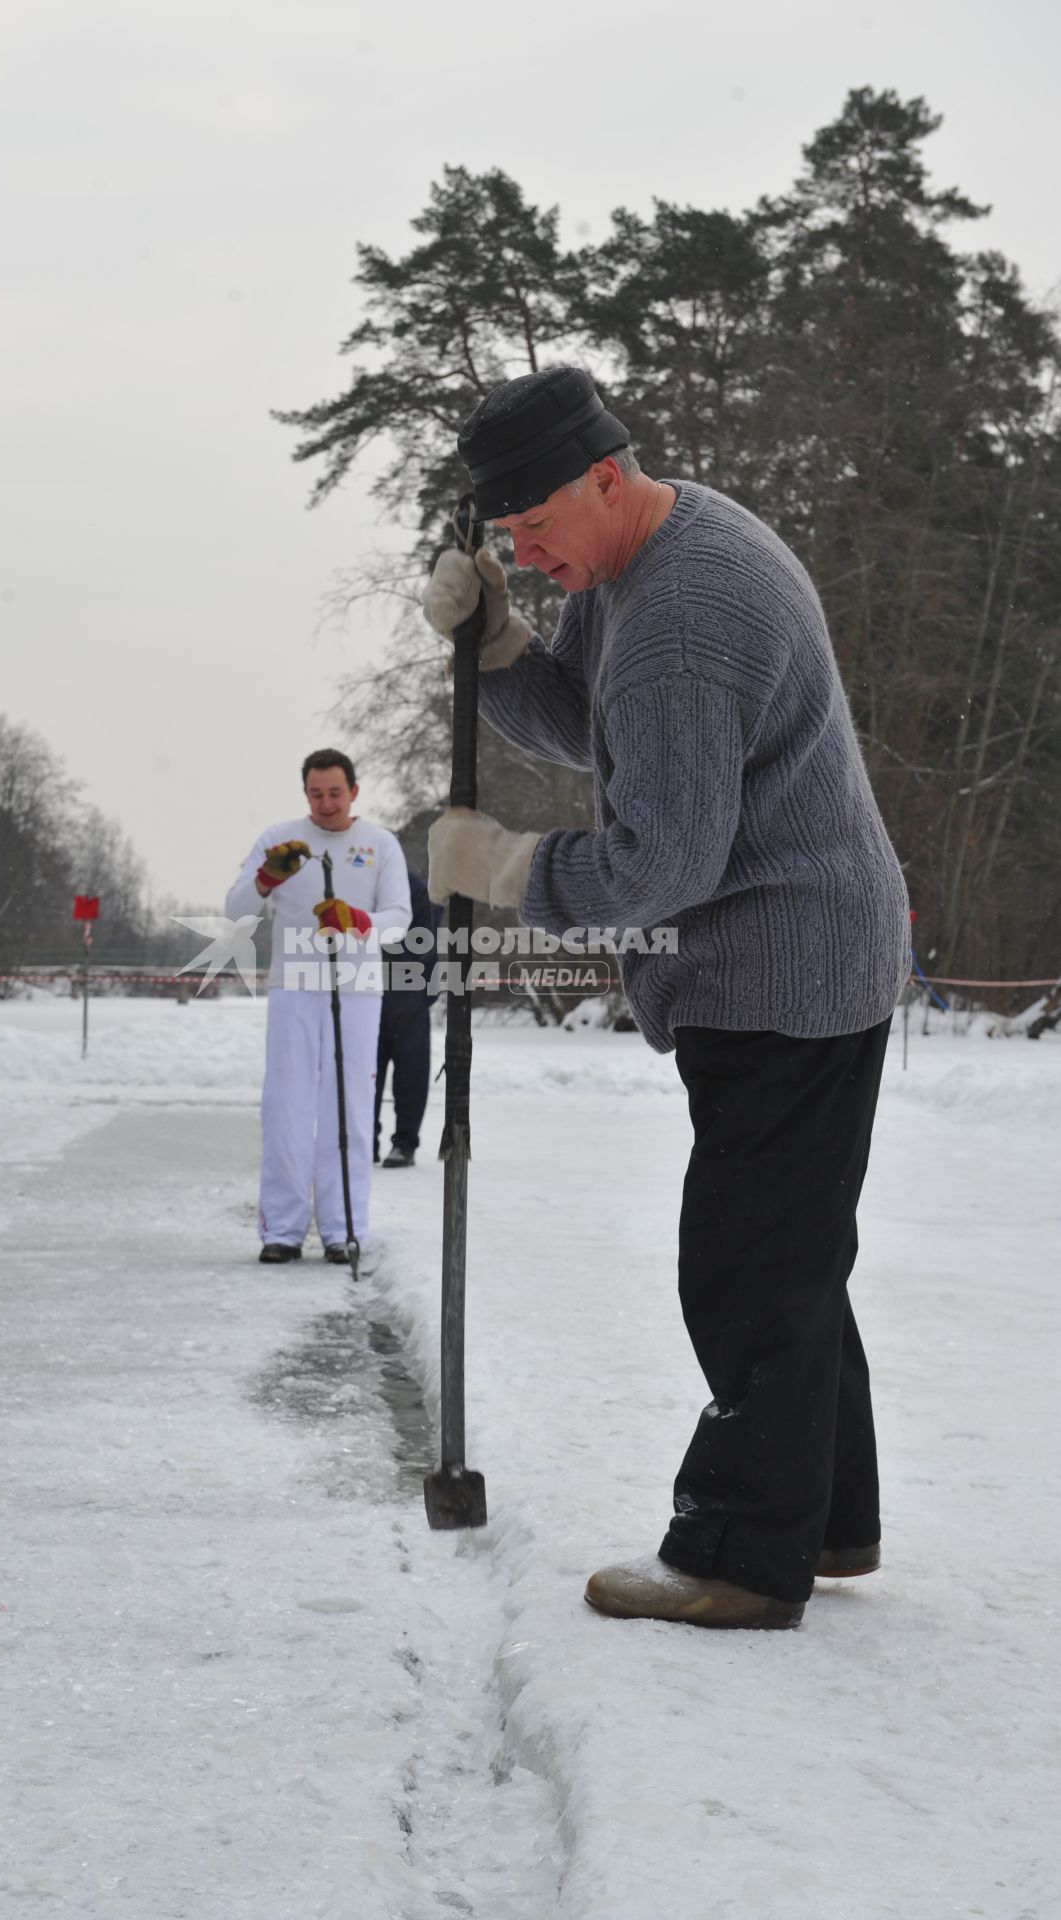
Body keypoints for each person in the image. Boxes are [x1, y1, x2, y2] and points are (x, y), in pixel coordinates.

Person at [423, 366, 909, 1630]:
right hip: (798, 954)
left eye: (530, 529)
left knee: (745, 1272)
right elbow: (599, 726)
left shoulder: (682, 616)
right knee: (790, 1258)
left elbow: (660, 863)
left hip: (779, 970)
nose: (522, 554)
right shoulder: (648, 555)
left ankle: (744, 1557)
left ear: (599, 476)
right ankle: (829, 1520)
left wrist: (510, 868)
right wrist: (496, 647)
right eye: (504, 541)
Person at [225, 749, 410, 1265]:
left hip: (355, 990)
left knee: (348, 1108)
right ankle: (281, 1229)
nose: (326, 803)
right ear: (304, 793)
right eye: (315, 793)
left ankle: (343, 1227)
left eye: (335, 792)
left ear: (354, 790)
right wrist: (266, 879)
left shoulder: (380, 844)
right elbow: (236, 910)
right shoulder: (281, 840)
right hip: (294, 988)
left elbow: (401, 917)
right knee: (286, 1107)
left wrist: (359, 921)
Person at [374, 867, 442, 1168]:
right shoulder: (364, 884)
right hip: (367, 996)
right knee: (365, 1077)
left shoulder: (415, 889)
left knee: (410, 1076)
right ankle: (365, 1140)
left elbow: (423, 943)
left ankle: (405, 1143)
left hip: (408, 997)